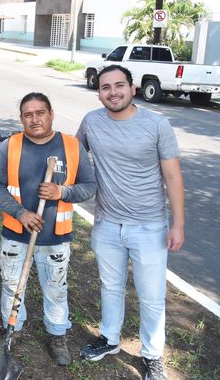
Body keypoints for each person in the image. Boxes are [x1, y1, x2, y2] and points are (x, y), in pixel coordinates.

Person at [77, 65, 185, 380]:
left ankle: (152, 355)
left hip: (149, 226)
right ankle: (110, 339)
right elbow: (70, 155)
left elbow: (173, 177)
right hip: (107, 224)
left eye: (119, 85)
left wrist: (177, 224)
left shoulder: (156, 124)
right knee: (110, 287)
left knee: (151, 295)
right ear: (98, 92)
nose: (113, 92)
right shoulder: (92, 122)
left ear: (132, 88)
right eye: (105, 87)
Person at [0, 92, 96, 366]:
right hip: (16, 234)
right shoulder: (10, 146)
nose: (34, 119)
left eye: (40, 113)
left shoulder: (71, 146)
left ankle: (57, 334)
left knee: (56, 288)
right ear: (22, 118)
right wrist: (21, 212)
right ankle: (12, 329)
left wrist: (62, 191)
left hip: (55, 238)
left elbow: (90, 186)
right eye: (28, 114)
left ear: (51, 114)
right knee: (12, 286)